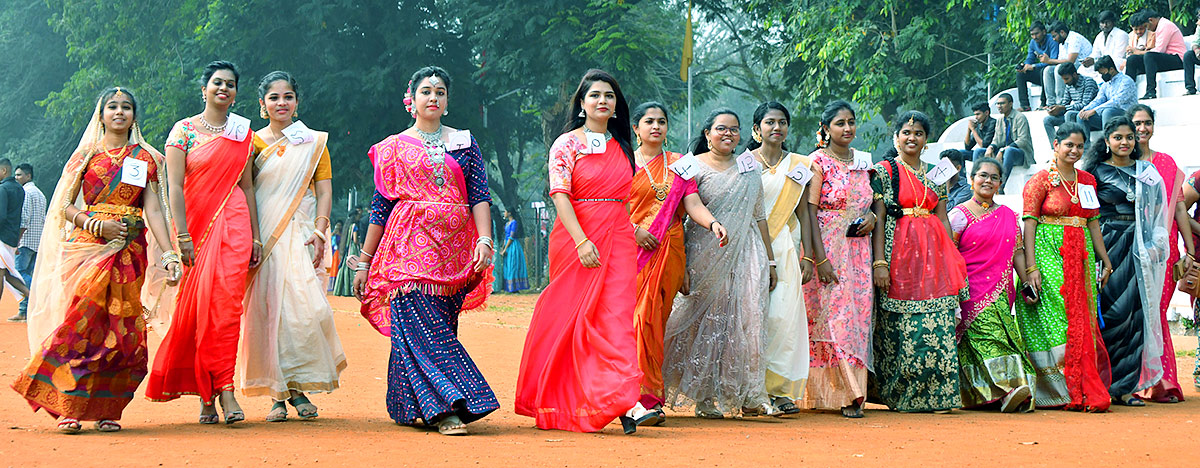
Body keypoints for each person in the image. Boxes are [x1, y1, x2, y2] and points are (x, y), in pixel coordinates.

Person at [9, 88, 182, 434]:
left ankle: (108, 409)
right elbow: (65, 206)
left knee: (123, 331)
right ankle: (69, 405)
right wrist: (96, 224)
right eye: (113, 106)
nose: (120, 112)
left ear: (135, 114)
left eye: (127, 107)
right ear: (101, 114)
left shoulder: (145, 158)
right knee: (83, 324)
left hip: (129, 251)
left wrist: (168, 252)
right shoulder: (85, 155)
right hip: (89, 249)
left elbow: (153, 210)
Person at [352, 66, 498, 436]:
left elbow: (479, 194)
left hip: (453, 250)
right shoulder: (393, 148)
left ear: (447, 102)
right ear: (411, 100)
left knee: (440, 326)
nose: (433, 97)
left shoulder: (464, 142)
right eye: (426, 91)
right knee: (420, 326)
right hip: (406, 246)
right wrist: (364, 263)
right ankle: (448, 406)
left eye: (440, 92)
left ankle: (410, 403)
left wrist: (484, 239)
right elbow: (380, 206)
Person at [515, 69, 645, 434]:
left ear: (617, 107)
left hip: (619, 237)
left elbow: (623, 200)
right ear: (582, 103)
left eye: (609, 96)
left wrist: (631, 230)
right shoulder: (566, 144)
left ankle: (623, 399)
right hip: (577, 236)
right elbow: (560, 193)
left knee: (616, 318)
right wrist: (581, 240)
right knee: (574, 318)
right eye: (595, 96)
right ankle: (568, 400)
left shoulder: (623, 146)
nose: (603, 101)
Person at [145, 60, 262, 425]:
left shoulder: (244, 132)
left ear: (236, 92)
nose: (223, 89)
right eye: (217, 83)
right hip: (196, 226)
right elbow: (174, 187)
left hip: (237, 222)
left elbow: (246, 186)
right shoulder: (182, 131)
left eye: (230, 84)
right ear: (204, 89)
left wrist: (256, 234)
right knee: (198, 309)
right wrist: (181, 235)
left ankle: (225, 388)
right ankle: (205, 393)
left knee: (227, 308)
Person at [239, 71, 346, 422]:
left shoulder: (312, 142)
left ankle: (297, 385)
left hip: (302, 234)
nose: (281, 103)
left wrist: (320, 230)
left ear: (297, 102)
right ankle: (279, 395)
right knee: (269, 312)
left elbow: (325, 190)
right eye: (274, 98)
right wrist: (252, 236)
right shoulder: (251, 144)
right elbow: (247, 192)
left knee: (307, 311)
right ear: (261, 104)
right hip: (265, 236)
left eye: (288, 97)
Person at [662, 108, 777, 419]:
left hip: (747, 252)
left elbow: (759, 215)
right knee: (706, 323)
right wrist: (681, 263)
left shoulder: (748, 166)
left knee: (748, 321)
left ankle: (749, 395)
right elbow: (681, 214)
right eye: (721, 128)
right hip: (704, 255)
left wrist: (770, 260)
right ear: (707, 133)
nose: (729, 134)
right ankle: (704, 397)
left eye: (735, 129)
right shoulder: (689, 166)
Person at [626, 101, 726, 425]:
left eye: (662, 121)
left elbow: (692, 202)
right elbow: (612, 209)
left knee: (653, 323)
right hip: (630, 250)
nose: (656, 126)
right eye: (649, 121)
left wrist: (712, 224)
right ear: (635, 128)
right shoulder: (623, 162)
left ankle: (649, 399)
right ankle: (634, 396)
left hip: (669, 250)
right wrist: (634, 230)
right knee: (636, 321)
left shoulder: (681, 164)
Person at [869, 111, 968, 413]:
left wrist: (951, 256)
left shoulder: (937, 173)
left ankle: (938, 396)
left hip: (934, 260)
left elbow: (941, 216)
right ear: (895, 137)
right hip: (898, 257)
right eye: (906, 132)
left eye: (919, 133)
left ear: (927, 140)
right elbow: (880, 217)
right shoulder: (883, 172)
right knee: (901, 328)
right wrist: (879, 263)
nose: (912, 137)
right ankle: (901, 396)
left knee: (938, 327)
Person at [1018, 123, 1114, 412]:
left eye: (1079, 146)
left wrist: (1104, 259)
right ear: (1056, 145)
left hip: (1081, 254)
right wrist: (1032, 267)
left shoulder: (1086, 179)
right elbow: (1029, 224)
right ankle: (1059, 388)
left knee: (1082, 317)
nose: (1074, 150)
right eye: (1068, 145)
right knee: (1057, 314)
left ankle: (1081, 383)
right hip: (1049, 252)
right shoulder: (1041, 180)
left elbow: (1093, 221)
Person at [1081, 116, 1170, 407]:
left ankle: (1125, 388)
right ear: (1107, 141)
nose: (1125, 142)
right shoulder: (1093, 172)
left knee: (1134, 315)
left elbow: (1158, 211)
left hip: (1137, 247)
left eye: (1129, 137)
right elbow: (1086, 214)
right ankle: (1102, 383)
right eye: (1118, 137)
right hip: (1105, 244)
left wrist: (1156, 242)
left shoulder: (1146, 172)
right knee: (1108, 313)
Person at [802, 100, 876, 418]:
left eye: (851, 122)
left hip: (859, 250)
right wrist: (820, 260)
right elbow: (809, 210)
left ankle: (854, 389)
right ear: (826, 128)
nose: (847, 128)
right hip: (828, 248)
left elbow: (871, 204)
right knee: (834, 320)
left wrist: (871, 217)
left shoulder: (864, 162)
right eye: (839, 123)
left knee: (857, 319)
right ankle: (846, 393)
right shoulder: (817, 162)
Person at [949, 157, 1036, 412]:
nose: (988, 180)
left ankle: (988, 395)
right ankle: (1007, 389)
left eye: (994, 177)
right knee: (987, 338)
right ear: (972, 179)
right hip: (970, 291)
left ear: (1000, 182)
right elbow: (951, 255)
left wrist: (1027, 279)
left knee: (1004, 339)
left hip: (1001, 291)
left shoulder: (1008, 215)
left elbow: (1017, 252)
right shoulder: (958, 215)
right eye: (982, 175)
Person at [748, 101, 813, 414]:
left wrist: (809, 256)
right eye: (770, 122)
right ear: (756, 129)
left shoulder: (800, 165)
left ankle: (780, 391)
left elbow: (803, 211)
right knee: (752, 318)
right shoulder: (744, 163)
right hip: (749, 247)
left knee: (782, 318)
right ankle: (751, 388)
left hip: (786, 246)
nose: (777, 128)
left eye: (782, 122)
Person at [1129, 104, 1194, 403]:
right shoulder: (1119, 162)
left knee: (1155, 312)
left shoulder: (1166, 163)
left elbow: (1179, 207)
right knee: (1136, 313)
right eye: (1137, 124)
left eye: (1147, 123)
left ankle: (1162, 381)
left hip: (1164, 251)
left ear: (1154, 126)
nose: (1142, 129)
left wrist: (1189, 251)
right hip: (1128, 249)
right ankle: (1133, 379)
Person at [9, 163, 45, 322]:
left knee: (19, 274)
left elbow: (24, 220)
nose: (16, 178)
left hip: (26, 241)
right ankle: (26, 311)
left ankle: (34, 300)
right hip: (38, 241)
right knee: (29, 274)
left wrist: (16, 241)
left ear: (28, 176)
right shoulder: (40, 194)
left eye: (19, 175)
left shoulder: (25, 193)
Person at [1125, 9, 1186, 99]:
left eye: (1146, 26)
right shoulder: (1159, 26)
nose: (1147, 29)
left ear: (1151, 20)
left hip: (1177, 59)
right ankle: (1127, 93)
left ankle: (1151, 91)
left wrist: (1138, 52)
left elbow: (1159, 50)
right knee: (1132, 59)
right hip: (1164, 59)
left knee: (1149, 56)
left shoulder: (1165, 25)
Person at [984, 94, 1033, 193]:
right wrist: (991, 147)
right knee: (979, 151)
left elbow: (1023, 140)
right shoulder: (1000, 120)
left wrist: (1003, 150)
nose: (999, 106)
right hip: (1004, 153)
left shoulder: (1020, 117)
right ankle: (979, 185)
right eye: (998, 104)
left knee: (1009, 151)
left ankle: (1000, 185)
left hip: (1021, 154)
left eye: (1002, 103)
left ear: (1011, 104)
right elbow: (997, 140)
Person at [1042, 63, 1098, 145]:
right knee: (1047, 120)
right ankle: (1056, 148)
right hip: (1075, 115)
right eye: (1063, 79)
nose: (1065, 82)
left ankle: (1073, 145)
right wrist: (1055, 110)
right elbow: (1065, 103)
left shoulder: (1088, 82)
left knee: (1069, 114)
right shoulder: (1069, 85)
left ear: (1074, 75)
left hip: (1089, 115)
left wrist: (1063, 108)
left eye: (1066, 79)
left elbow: (1086, 105)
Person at [1078, 56, 1138, 132]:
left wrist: (1094, 110)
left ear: (1111, 69)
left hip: (1127, 113)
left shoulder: (1126, 81)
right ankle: (1085, 143)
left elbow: (1117, 102)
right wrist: (1085, 109)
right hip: (1109, 115)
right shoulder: (1105, 84)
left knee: (1107, 111)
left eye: (1103, 73)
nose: (1102, 76)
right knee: (1081, 116)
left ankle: (1107, 142)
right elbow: (1098, 100)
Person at [1041, 21, 1093, 103]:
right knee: (1048, 70)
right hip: (1072, 66)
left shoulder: (1074, 38)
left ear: (1062, 32)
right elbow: (1060, 60)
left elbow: (1070, 61)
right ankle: (1051, 102)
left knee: (1059, 69)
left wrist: (1049, 60)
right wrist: (1049, 62)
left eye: (1054, 36)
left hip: (1084, 65)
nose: (1054, 39)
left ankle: (1060, 102)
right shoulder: (1062, 42)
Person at [0, 159, 29, 304]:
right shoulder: (19, 189)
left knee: (2, 273)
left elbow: (1, 216)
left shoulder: (2, 189)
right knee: (7, 273)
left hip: (2, 237)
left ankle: (33, 297)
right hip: (12, 236)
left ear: (4, 171)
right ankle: (32, 297)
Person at [1015, 21, 1060, 110]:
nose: (1034, 37)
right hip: (1040, 72)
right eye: (1032, 34)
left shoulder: (1052, 40)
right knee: (1020, 74)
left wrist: (1034, 66)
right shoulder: (1033, 42)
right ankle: (1025, 105)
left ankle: (1044, 103)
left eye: (1037, 34)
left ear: (1044, 32)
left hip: (1052, 73)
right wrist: (1025, 66)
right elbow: (1030, 58)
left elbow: (1054, 60)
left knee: (1045, 71)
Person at [1082, 11, 1130, 75]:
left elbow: (1118, 57)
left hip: (1117, 64)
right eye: (1102, 23)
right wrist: (1088, 60)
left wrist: (1096, 61)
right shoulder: (1099, 36)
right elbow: (1095, 54)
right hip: (1101, 63)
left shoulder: (1121, 35)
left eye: (1107, 22)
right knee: (1082, 69)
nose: (1105, 25)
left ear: (1113, 22)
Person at [500, 210, 528, 292]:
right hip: (507, 245)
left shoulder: (514, 223)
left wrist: (505, 248)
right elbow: (506, 236)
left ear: (509, 213)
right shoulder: (506, 224)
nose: (504, 213)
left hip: (513, 246)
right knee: (508, 265)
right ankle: (509, 287)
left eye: (505, 212)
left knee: (513, 265)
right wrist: (503, 247)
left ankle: (514, 287)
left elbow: (511, 237)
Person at [490, 204, 506, 292]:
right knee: (497, 265)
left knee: (492, 265)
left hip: (491, 244)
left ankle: (492, 287)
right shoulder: (499, 221)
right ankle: (497, 286)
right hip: (497, 243)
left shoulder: (491, 220)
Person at [1184, 7, 1200, 95]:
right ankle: (1190, 88)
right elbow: (1195, 42)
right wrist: (1196, 50)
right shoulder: (1199, 27)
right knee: (1188, 55)